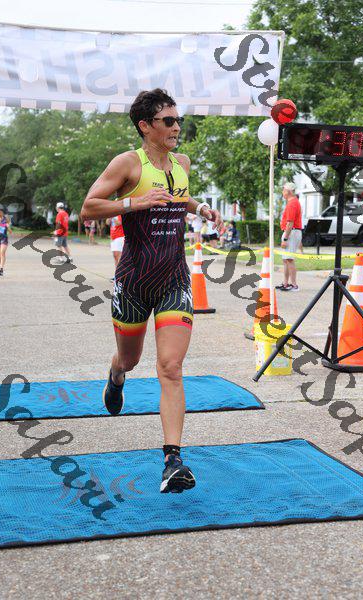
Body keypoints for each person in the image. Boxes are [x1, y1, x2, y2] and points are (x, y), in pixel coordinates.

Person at [80, 88, 222, 494]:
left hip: (174, 279)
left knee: (171, 367)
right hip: (133, 281)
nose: (177, 127)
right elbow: (89, 207)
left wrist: (199, 208)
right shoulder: (127, 163)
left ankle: (172, 460)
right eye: (168, 121)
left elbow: (178, 196)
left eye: (179, 120)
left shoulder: (182, 163)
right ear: (145, 126)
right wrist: (134, 203)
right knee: (130, 359)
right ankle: (116, 374)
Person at [276, 182, 302, 292]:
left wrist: (285, 238)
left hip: (291, 232)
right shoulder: (293, 202)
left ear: (289, 191)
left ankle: (294, 285)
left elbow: (290, 223)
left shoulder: (292, 203)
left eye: (283, 190)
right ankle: (286, 283)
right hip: (292, 232)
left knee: (289, 259)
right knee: (286, 259)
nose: (282, 192)